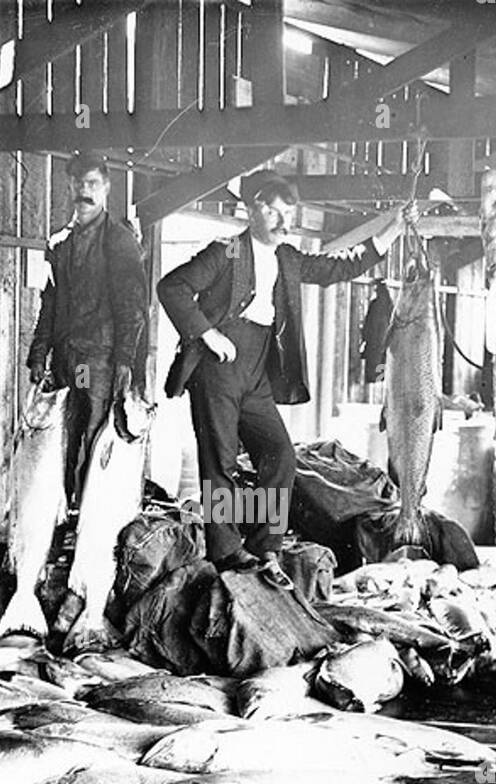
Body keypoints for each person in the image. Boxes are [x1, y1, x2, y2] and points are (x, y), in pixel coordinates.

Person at [157, 169, 416, 590]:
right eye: (273, 211)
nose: (282, 221)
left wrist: (392, 229)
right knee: (219, 462)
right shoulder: (227, 251)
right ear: (252, 209)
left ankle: (265, 546)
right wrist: (208, 332)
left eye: (287, 213)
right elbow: (173, 287)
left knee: (280, 455)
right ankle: (225, 551)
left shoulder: (287, 257)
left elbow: (338, 268)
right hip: (218, 368)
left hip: (257, 368)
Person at [26, 151, 149, 506]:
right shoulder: (60, 243)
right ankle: (58, 522)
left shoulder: (119, 240)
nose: (85, 191)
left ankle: (89, 528)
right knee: (61, 441)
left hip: (98, 361)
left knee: (96, 445)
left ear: (106, 188)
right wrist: (38, 353)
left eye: (93, 184)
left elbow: (133, 307)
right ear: (69, 186)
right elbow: (49, 304)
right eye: (79, 183)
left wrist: (125, 361)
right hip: (68, 361)